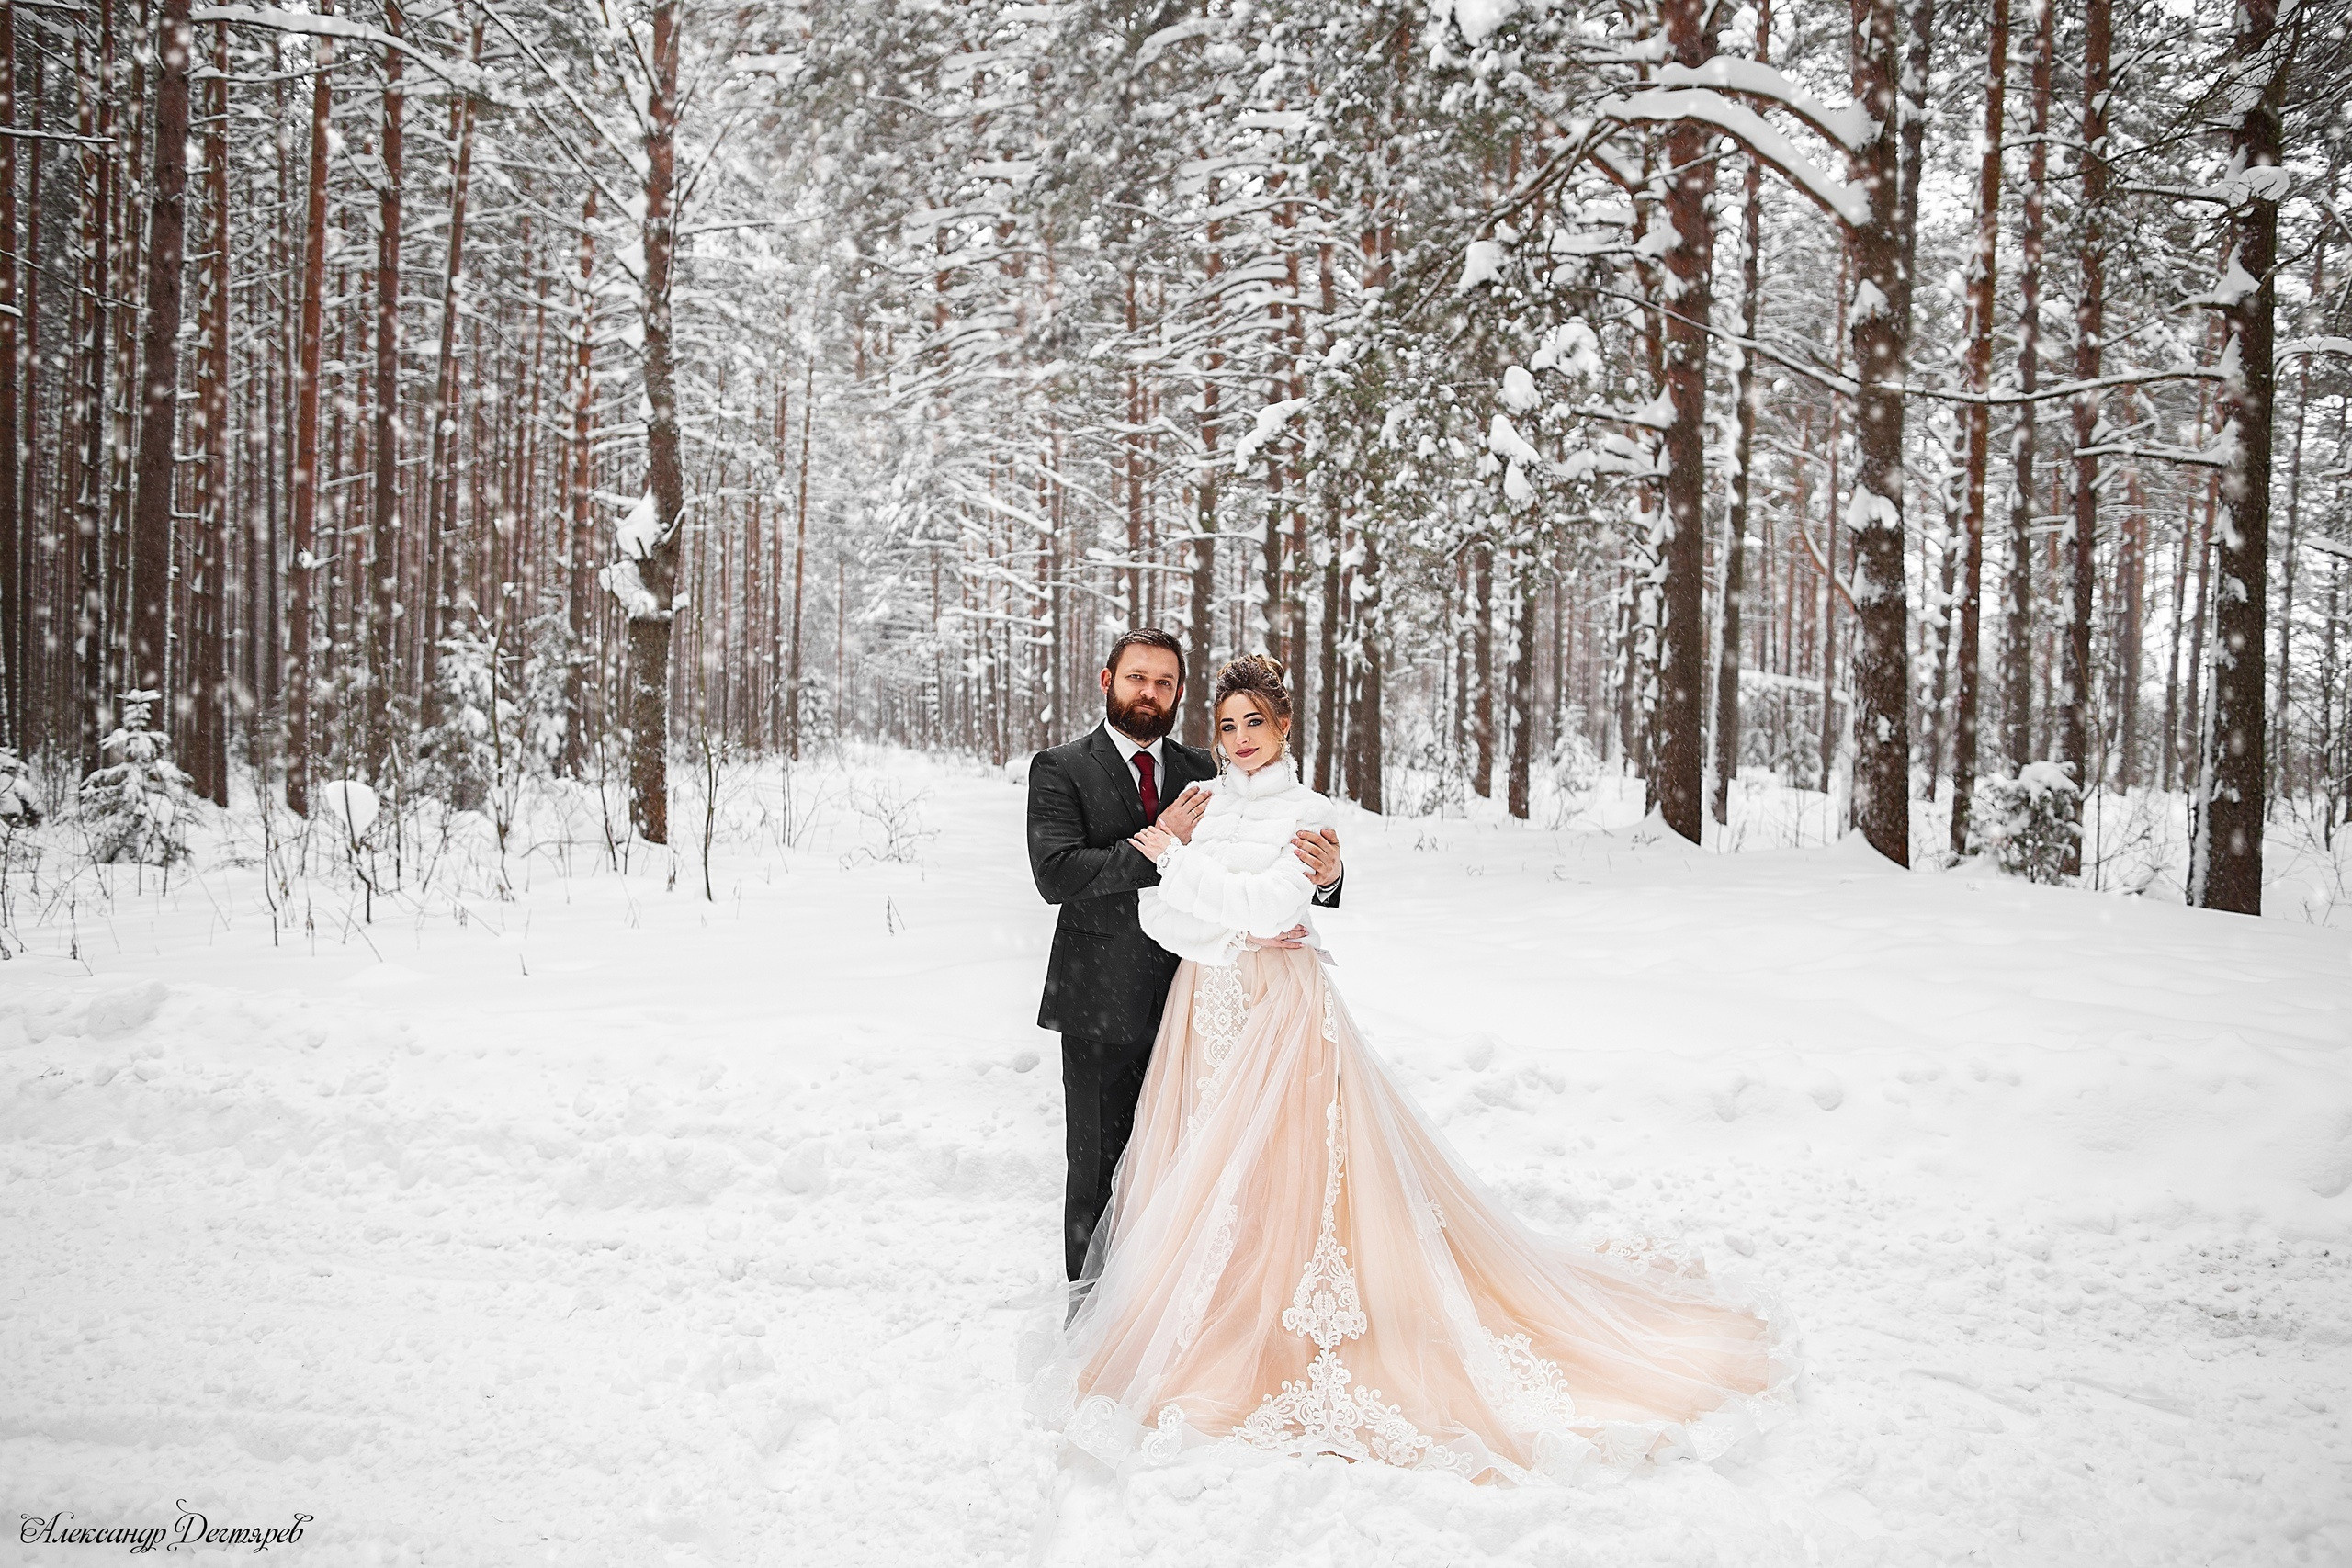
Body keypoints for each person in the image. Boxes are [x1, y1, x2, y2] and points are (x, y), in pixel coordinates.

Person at [1028, 653, 1793, 1485]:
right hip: (1170, 1011)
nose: (1237, 737)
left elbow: (1263, 903)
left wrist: (1242, 881)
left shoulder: (1278, 803)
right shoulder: (1124, 781)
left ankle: (1276, 1323)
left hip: (1271, 1015)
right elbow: (1131, 901)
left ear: (1282, 725)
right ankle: (1135, 1308)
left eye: (1252, 721)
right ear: (1108, 679)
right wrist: (1222, 914)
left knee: (1285, 1172)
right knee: (1155, 1161)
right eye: (1228, 724)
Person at [1026, 630, 1345, 1310]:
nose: (1150, 691)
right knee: (1098, 1168)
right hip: (1098, 1002)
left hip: (1196, 1000)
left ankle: (1178, 1304)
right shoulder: (1061, 767)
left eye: (1165, 681)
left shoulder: (1210, 768)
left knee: (1192, 1162)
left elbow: (1276, 845)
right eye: (1137, 677)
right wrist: (1159, 850)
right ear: (1107, 678)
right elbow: (1056, 873)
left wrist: (1329, 877)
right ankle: (1094, 1313)